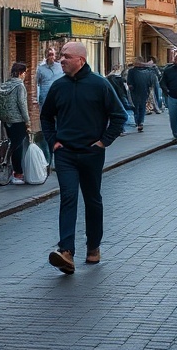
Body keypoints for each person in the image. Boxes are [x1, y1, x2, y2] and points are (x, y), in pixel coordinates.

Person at [41, 41, 127, 274]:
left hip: (91, 153)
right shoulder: (58, 87)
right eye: (61, 56)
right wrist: (53, 142)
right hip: (66, 153)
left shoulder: (100, 84)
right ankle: (66, 251)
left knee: (92, 200)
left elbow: (119, 116)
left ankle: (93, 246)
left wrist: (103, 142)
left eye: (66, 56)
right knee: (68, 197)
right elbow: (46, 117)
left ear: (81, 59)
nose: (61, 59)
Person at [0, 61, 30, 184]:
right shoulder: (20, 86)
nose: (25, 75)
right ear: (20, 73)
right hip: (17, 120)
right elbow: (22, 104)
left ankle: (11, 171)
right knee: (18, 146)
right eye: (25, 72)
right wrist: (27, 121)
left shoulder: (6, 84)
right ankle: (18, 174)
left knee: (12, 144)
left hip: (6, 119)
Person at [125, 57, 155, 133]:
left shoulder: (132, 71)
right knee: (140, 107)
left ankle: (139, 122)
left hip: (137, 91)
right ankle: (139, 122)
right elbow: (150, 82)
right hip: (142, 91)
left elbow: (129, 82)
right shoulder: (147, 71)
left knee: (138, 107)